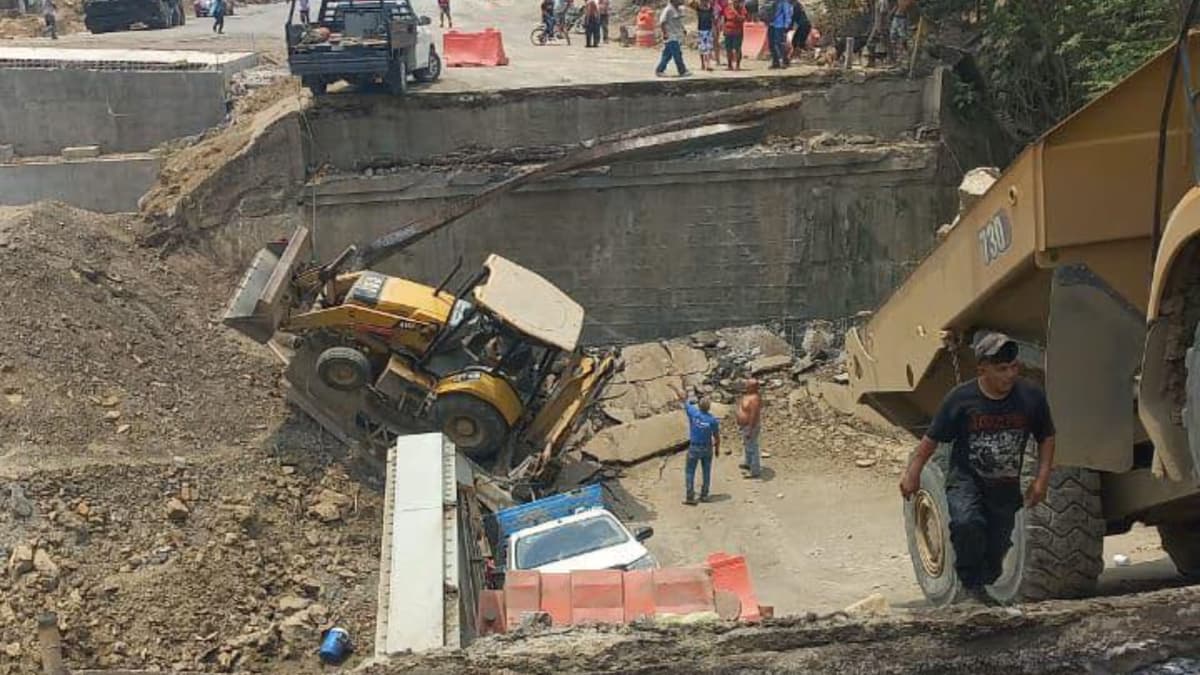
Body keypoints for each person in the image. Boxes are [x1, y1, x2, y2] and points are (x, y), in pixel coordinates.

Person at [899, 331, 1056, 603]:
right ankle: (970, 588)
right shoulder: (961, 399)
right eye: (1001, 369)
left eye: (1013, 368)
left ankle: (982, 586)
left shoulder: (1030, 397)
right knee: (966, 523)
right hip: (966, 479)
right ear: (982, 369)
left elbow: (1047, 436)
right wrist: (912, 472)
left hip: (1004, 485)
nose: (1009, 375)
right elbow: (931, 439)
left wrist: (1042, 479)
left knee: (997, 548)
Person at [683, 395, 721, 505]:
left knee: (690, 471)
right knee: (706, 471)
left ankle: (690, 496)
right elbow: (717, 436)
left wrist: (674, 388)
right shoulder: (712, 420)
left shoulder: (694, 414)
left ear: (699, 406)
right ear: (709, 407)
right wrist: (717, 449)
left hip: (694, 447)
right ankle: (704, 495)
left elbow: (684, 399)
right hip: (707, 448)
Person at [736, 379, 763, 478]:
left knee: (752, 447)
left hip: (750, 426)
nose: (746, 385)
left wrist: (750, 429)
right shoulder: (747, 395)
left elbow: (754, 414)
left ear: (753, 387)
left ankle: (755, 470)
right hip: (744, 425)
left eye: (748, 384)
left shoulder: (754, 398)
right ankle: (748, 463)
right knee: (747, 445)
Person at [655, 0, 689, 77]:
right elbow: (662, 22)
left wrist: (683, 29)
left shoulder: (678, 9)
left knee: (667, 55)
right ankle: (682, 70)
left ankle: (659, 70)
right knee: (677, 54)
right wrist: (665, 33)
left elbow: (679, 21)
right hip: (671, 36)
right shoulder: (668, 10)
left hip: (677, 35)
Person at [689, 0, 716, 71]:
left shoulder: (711, 9)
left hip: (708, 30)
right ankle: (702, 64)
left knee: (708, 48)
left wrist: (714, 30)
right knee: (702, 48)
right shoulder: (698, 9)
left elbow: (713, 20)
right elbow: (690, 4)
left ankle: (708, 64)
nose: (704, 2)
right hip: (701, 30)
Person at [721, 0, 747, 70]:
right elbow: (724, 19)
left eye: (737, 2)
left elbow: (743, 19)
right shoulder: (727, 8)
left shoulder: (742, 9)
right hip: (728, 31)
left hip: (737, 32)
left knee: (737, 48)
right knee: (728, 49)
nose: (736, 3)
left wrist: (735, 13)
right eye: (735, 2)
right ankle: (729, 65)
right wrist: (723, 28)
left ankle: (738, 65)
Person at [768, 0, 792, 69]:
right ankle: (775, 62)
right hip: (771, 24)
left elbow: (787, 13)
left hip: (780, 25)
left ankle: (784, 61)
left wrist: (786, 26)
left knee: (779, 43)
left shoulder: (784, 2)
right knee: (771, 44)